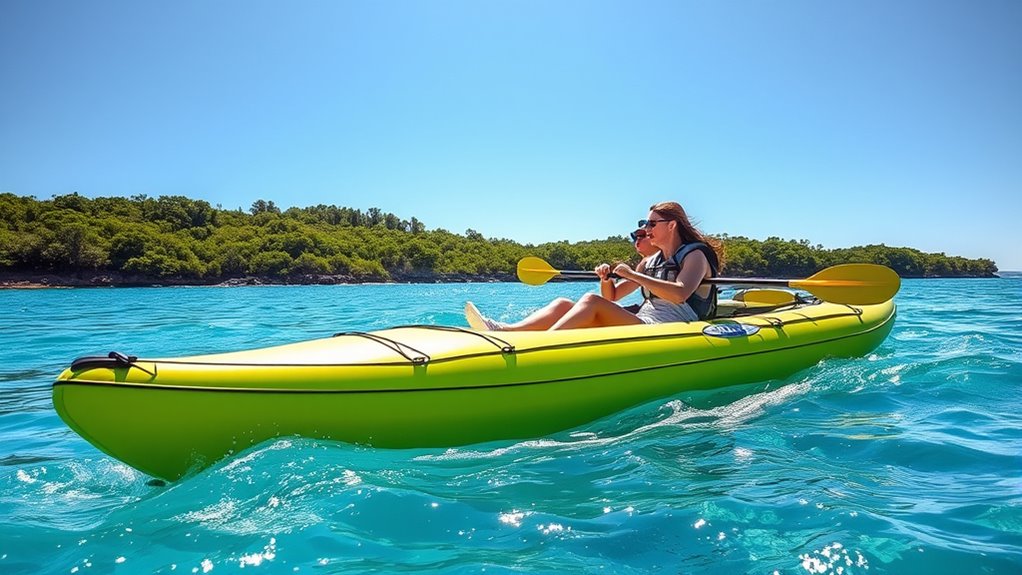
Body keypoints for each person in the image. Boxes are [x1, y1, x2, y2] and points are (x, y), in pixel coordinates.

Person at [466, 201, 723, 330]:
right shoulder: (651, 261)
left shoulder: (695, 256)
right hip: (643, 320)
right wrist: (606, 278)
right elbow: (611, 296)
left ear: (671, 225)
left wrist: (634, 274)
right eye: (645, 224)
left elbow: (680, 293)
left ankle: (542, 346)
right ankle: (507, 330)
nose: (646, 230)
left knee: (589, 301)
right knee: (565, 304)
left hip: (669, 327)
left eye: (651, 224)